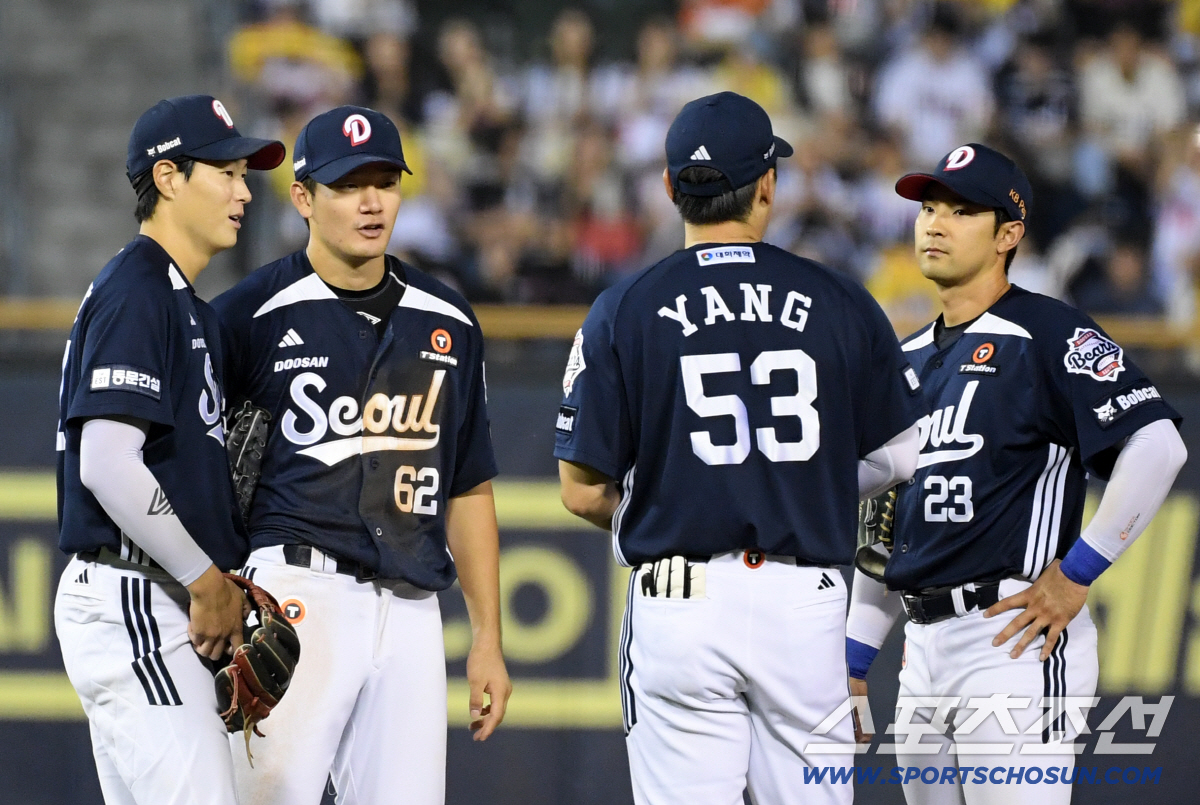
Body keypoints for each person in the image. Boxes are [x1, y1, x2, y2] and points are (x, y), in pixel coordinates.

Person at [555, 91, 928, 805]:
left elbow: (580, 487)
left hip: (681, 598)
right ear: (768, 186)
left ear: (669, 189)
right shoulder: (841, 299)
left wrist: (691, 492)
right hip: (805, 605)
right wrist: (795, 484)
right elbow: (903, 454)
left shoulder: (624, 308)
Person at [845, 143, 1188, 804]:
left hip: (1012, 635)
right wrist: (857, 662)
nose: (935, 223)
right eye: (929, 206)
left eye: (962, 209)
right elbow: (885, 532)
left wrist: (1077, 571)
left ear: (1009, 233)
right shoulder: (904, 358)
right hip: (921, 648)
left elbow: (1157, 446)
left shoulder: (1047, 330)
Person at [210, 105, 510, 805]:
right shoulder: (248, 315)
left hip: (410, 606)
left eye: (384, 181)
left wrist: (488, 637)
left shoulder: (448, 320)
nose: (371, 201)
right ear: (305, 197)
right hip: (294, 595)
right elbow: (198, 465)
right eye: (348, 185)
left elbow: (467, 485)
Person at [53, 94, 284, 804]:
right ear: (168, 177)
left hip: (155, 595)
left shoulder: (184, 302)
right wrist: (206, 578)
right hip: (136, 596)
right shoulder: (141, 289)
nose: (244, 191)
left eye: (247, 174)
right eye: (226, 170)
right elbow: (107, 462)